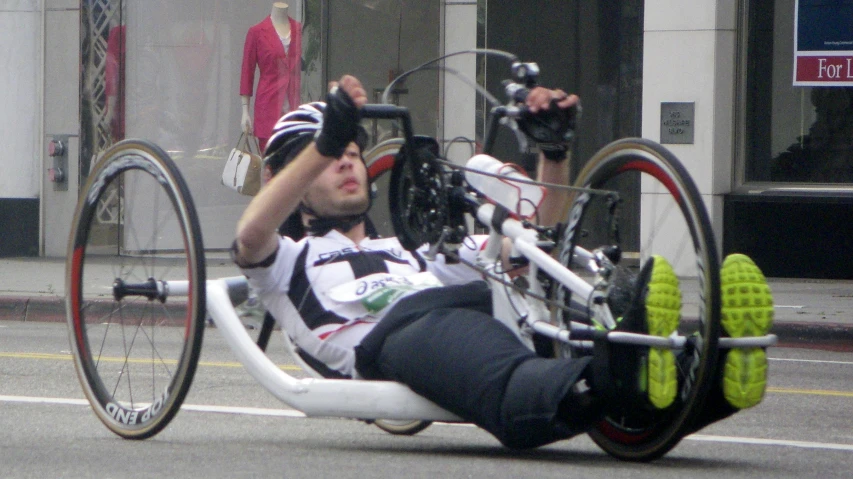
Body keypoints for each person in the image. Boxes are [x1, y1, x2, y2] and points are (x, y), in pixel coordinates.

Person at [232, 75, 775, 449]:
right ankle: (624, 364)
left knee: (535, 308)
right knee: (494, 361)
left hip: (472, 309)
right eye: (332, 156)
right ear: (290, 177)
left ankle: (716, 369)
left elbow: (529, 247)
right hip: (398, 337)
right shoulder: (287, 265)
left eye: (351, 151)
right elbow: (250, 236)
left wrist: (554, 155)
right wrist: (320, 146)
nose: (347, 160)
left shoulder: (410, 250)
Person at [240, 2, 302, 152]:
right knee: (270, 162)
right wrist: (245, 111)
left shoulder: (299, 29)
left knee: (292, 161)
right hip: (267, 106)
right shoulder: (257, 32)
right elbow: (247, 72)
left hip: (295, 108)